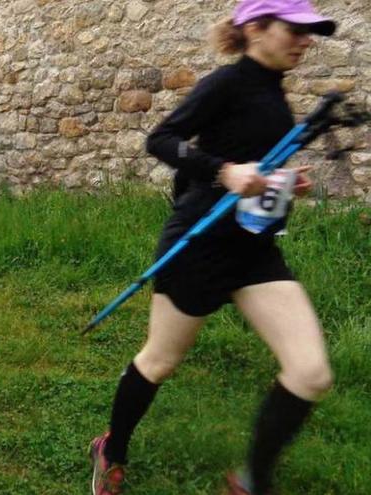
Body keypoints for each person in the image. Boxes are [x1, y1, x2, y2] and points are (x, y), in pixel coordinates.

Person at [88, 2, 337, 495]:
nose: (306, 41)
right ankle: (110, 450)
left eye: (311, 33)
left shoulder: (273, 91)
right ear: (256, 28)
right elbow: (161, 140)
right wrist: (226, 172)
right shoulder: (226, 83)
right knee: (159, 360)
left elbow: (253, 165)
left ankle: (251, 482)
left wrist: (283, 183)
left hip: (254, 251)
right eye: (296, 30)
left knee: (311, 373)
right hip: (198, 243)